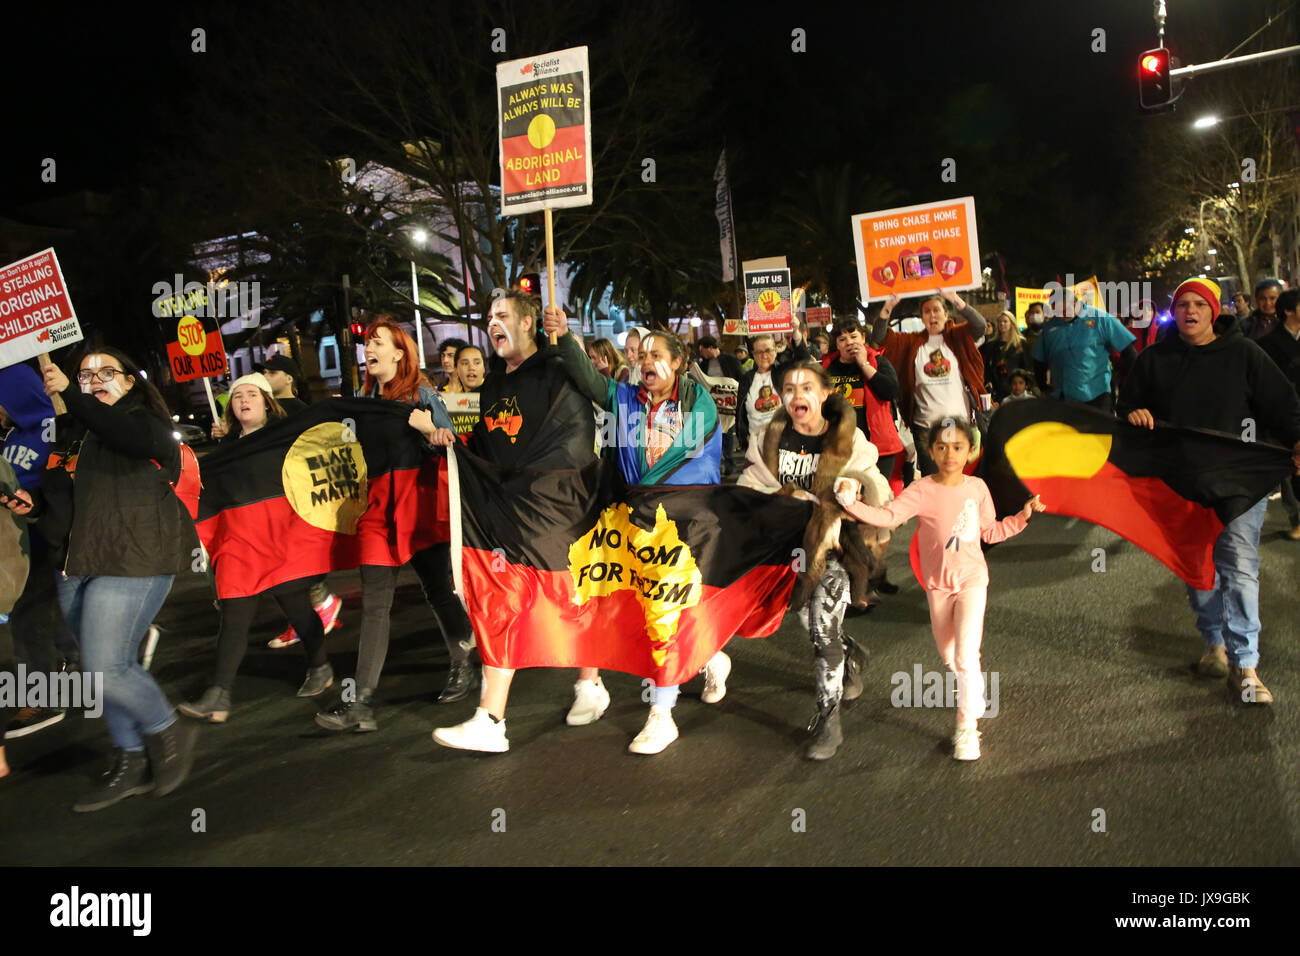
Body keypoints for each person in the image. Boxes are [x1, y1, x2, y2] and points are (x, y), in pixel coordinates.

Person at [4, 348, 202, 811]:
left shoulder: (143, 424)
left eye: (105, 372)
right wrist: (32, 508)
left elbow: (125, 435)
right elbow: (60, 499)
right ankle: (131, 759)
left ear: (130, 382)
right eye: (85, 373)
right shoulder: (71, 434)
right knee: (105, 670)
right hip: (75, 564)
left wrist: (72, 393)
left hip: (134, 556)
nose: (93, 379)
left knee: (103, 667)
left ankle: (168, 729)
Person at [543, 315, 728, 754]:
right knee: (651, 604)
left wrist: (649, 495)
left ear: (678, 362)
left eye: (657, 355)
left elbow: (692, 456)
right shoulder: (623, 398)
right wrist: (565, 334)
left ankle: (662, 714)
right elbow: (589, 378)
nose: (647, 362)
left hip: (682, 522)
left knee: (665, 606)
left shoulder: (698, 402)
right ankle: (711, 657)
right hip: (637, 519)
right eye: (642, 356)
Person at [432, 288, 601, 753]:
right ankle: (491, 718)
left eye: (503, 315)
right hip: (512, 512)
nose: (492, 323)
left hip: (560, 506)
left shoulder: (556, 364)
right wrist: (448, 441)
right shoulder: (491, 387)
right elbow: (489, 451)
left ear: (528, 323)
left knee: (570, 596)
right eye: (489, 316)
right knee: (501, 599)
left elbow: (599, 392)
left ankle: (590, 681)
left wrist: (565, 338)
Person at [1117, 277, 1300, 705]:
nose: (1190, 311)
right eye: (1183, 305)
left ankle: (1246, 666)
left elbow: (1283, 404)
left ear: (1214, 311)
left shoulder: (1244, 353)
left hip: (1239, 480)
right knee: (1198, 568)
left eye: (1200, 304)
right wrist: (1134, 413)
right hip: (1181, 481)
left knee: (1238, 566)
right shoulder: (1154, 359)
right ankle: (1213, 642)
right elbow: (1126, 407)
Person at [840, 417, 1043, 760]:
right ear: (931, 451)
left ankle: (966, 729)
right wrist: (850, 504)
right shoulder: (921, 490)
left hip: (972, 581)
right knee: (950, 656)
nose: (950, 453)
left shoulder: (977, 488)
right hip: (937, 586)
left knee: (965, 655)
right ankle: (972, 684)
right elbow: (889, 517)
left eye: (958, 446)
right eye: (942, 446)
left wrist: (1021, 518)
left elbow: (990, 532)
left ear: (970, 451)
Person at [314, 316, 473, 732]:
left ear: (399, 353)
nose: (369, 348)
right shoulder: (360, 401)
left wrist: (432, 430)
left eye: (378, 342)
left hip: (417, 508)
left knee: (439, 590)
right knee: (375, 606)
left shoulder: (421, 394)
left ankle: (464, 662)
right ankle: (361, 703)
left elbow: (453, 446)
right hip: (376, 515)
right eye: (368, 342)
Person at [737, 361, 892, 759]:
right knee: (810, 622)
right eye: (788, 388)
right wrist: (781, 499)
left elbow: (878, 487)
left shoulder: (848, 438)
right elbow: (749, 487)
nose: (796, 395)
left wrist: (854, 484)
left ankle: (828, 721)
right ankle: (852, 655)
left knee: (822, 631)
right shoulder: (767, 438)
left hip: (837, 547)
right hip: (787, 548)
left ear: (824, 394)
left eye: (807, 387)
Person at [180, 374, 333, 722]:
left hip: (283, 540)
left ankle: (320, 664)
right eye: (237, 397)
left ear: (267, 402)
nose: (244, 400)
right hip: (240, 545)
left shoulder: (287, 439)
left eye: (252, 394)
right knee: (234, 613)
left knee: (296, 608)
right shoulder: (225, 452)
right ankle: (218, 695)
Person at [244, 355, 344, 650]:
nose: (266, 376)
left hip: (291, 499)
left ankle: (318, 606)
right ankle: (314, 610)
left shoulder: (297, 411)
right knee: (280, 566)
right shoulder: (264, 410)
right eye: (263, 371)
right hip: (269, 499)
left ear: (289, 378)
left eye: (272, 372)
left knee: (286, 566)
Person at [0, 364, 74, 740]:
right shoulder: (11, 434)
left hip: (46, 535)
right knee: (50, 612)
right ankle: (72, 667)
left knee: (28, 616)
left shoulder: (56, 426)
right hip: (23, 538)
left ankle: (43, 699)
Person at [876, 288, 989, 476]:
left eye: (937, 310)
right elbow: (880, 337)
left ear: (946, 314)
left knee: (962, 483)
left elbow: (980, 326)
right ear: (922, 318)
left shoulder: (958, 337)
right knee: (935, 486)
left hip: (960, 427)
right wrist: (888, 307)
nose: (932, 315)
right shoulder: (911, 342)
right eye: (927, 312)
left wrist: (955, 299)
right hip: (926, 430)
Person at [1032, 288, 1136, 414]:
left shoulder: (1101, 319)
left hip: (1097, 398)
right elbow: (1039, 361)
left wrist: (1128, 386)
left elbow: (1130, 353)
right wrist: (1043, 387)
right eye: (1057, 311)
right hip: (1062, 400)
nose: (1061, 315)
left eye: (1065, 310)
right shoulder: (1050, 328)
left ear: (1075, 302)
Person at [1257, 288, 1300, 540]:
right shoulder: (1268, 345)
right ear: (1289, 311)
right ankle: (1296, 518)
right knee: (1289, 467)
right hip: (1282, 414)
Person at [980, 310, 1032, 402]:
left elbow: (1027, 366)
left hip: (1016, 386)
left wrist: (1027, 385)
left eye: (1005, 321)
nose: (1002, 324)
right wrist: (988, 382)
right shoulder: (991, 345)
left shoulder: (1020, 343)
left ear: (1011, 323)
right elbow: (987, 366)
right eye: (1000, 322)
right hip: (997, 388)